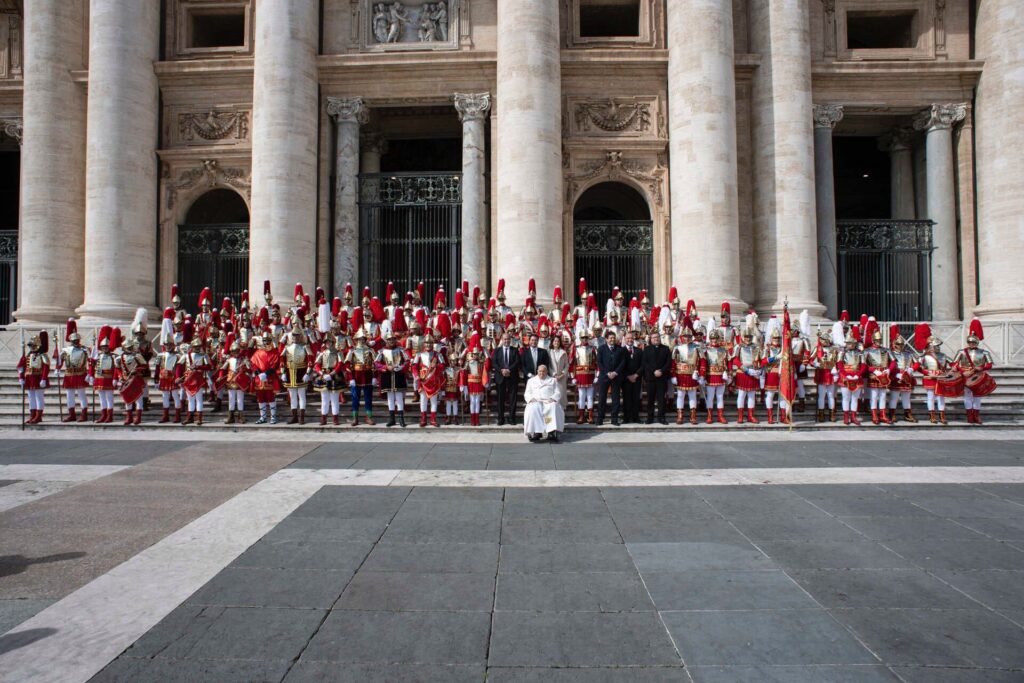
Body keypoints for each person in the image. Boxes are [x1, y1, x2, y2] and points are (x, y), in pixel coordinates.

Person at [953, 318, 994, 425]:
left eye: (973, 342)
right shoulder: (962, 352)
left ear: (977, 341)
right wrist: (962, 371)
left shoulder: (984, 352)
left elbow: (989, 364)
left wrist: (982, 368)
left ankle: (976, 415)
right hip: (966, 375)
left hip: (979, 375)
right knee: (967, 395)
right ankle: (969, 416)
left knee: (977, 396)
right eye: (969, 342)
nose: (971, 344)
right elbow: (953, 364)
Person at [57, 320, 90, 422]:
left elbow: (91, 362)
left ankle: (84, 414)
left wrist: (91, 374)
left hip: (80, 373)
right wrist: (57, 369)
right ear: (70, 341)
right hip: (69, 374)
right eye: (74, 340)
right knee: (69, 395)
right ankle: (72, 414)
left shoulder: (85, 349)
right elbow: (60, 361)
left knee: (81, 395)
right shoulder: (65, 350)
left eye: (77, 340)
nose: (75, 342)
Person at [375, 332, 409, 427]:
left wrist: (401, 367)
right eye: (389, 339)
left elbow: (407, 361)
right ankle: (392, 419)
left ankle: (401, 418)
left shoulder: (401, 350)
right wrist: (385, 367)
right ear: (386, 341)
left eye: (393, 339)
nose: (391, 341)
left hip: (399, 375)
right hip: (387, 376)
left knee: (399, 397)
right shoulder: (381, 351)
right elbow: (376, 363)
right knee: (390, 397)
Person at [523, 364, 564, 442]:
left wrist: (553, 398)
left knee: (553, 407)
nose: (542, 373)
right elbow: (527, 393)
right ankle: (536, 432)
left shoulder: (553, 380)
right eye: (540, 371)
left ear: (547, 371)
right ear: (537, 371)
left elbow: (558, 392)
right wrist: (531, 399)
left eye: (544, 371)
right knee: (533, 408)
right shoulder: (531, 381)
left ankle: (551, 432)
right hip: (536, 401)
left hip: (548, 401)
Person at [345, 330, 376, 426]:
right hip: (356, 376)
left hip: (367, 375)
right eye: (359, 339)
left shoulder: (370, 350)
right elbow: (347, 364)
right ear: (356, 339)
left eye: (363, 339)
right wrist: (351, 378)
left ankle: (369, 417)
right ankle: (355, 418)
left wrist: (374, 377)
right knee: (355, 398)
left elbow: (375, 364)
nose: (361, 340)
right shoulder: (352, 351)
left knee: (368, 398)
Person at [888, 326, 919, 423]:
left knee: (906, 397)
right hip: (896, 376)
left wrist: (911, 369)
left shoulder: (909, 353)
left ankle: (907, 414)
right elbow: (888, 366)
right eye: (898, 344)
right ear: (894, 344)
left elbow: (917, 363)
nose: (900, 346)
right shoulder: (891, 353)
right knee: (894, 396)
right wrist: (895, 374)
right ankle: (892, 414)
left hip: (907, 376)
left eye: (902, 344)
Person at [672, 327, 702, 425]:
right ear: (682, 337)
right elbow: (673, 363)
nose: (687, 338)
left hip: (692, 374)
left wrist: (700, 374)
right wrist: (673, 375)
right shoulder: (677, 348)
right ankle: (680, 415)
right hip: (680, 374)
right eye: (685, 336)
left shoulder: (697, 347)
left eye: (689, 336)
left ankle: (693, 415)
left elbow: (701, 362)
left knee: (692, 395)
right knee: (680, 395)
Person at [18, 331, 50, 424]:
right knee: (31, 397)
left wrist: (44, 378)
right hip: (29, 378)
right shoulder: (27, 355)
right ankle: (32, 415)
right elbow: (21, 367)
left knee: (39, 397)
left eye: (33, 345)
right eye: (31, 345)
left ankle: (38, 416)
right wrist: (21, 378)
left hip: (38, 378)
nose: (32, 347)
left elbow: (46, 368)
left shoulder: (43, 355)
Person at [595, 330, 625, 426]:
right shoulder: (601, 349)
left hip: (616, 377)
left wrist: (615, 372)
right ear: (606, 339)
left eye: (613, 338)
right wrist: (607, 373)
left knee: (616, 398)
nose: (612, 339)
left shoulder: (620, 349)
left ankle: (614, 419)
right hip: (604, 376)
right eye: (610, 338)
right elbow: (599, 362)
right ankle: (600, 418)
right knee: (602, 398)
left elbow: (623, 362)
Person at [491, 333, 521, 425]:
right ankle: (501, 418)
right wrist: (501, 370)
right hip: (500, 377)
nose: (506, 341)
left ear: (510, 340)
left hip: (512, 377)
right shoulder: (497, 350)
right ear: (502, 340)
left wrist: (508, 370)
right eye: (504, 339)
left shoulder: (515, 350)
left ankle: (512, 418)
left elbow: (517, 362)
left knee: (513, 399)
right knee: (500, 399)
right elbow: (494, 363)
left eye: (508, 339)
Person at [919, 336, 950, 424]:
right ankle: (932, 415)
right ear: (931, 346)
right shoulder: (924, 357)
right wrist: (927, 372)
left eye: (938, 346)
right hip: (930, 378)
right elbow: (918, 367)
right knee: (931, 397)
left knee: (941, 397)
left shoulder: (943, 356)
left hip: (941, 378)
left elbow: (954, 363)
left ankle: (942, 415)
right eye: (936, 346)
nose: (938, 347)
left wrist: (952, 371)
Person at [642, 331, 672, 425]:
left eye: (657, 337)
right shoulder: (646, 349)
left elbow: (668, 363)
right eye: (654, 337)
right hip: (651, 378)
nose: (656, 339)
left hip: (662, 378)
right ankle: (649, 418)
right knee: (650, 399)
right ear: (651, 339)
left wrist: (661, 371)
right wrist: (654, 371)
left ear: (660, 338)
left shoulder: (666, 349)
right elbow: (645, 363)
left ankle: (661, 417)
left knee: (661, 399)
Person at [702, 329, 730, 424]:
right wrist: (703, 376)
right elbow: (703, 364)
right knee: (710, 396)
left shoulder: (723, 350)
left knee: (720, 396)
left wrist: (728, 373)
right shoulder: (706, 350)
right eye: (712, 338)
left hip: (721, 375)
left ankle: (720, 415)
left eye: (716, 338)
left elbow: (727, 362)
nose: (714, 340)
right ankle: (709, 415)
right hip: (710, 375)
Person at [620, 332, 643, 423]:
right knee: (626, 399)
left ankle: (636, 417)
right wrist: (628, 376)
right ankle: (626, 418)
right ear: (625, 339)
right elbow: (620, 365)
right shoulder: (621, 351)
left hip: (637, 378)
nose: (630, 340)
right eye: (628, 338)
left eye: (631, 338)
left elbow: (643, 365)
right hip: (625, 379)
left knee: (636, 398)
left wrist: (636, 375)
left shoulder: (639, 350)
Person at [547, 332, 570, 410]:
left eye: (558, 341)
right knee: (552, 394)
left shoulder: (563, 352)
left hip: (561, 377)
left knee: (561, 394)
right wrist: (554, 374)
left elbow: (567, 365)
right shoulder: (549, 352)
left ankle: (562, 412)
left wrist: (562, 374)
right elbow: (548, 365)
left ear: (560, 343)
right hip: (552, 377)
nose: (556, 342)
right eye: (555, 341)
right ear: (552, 342)